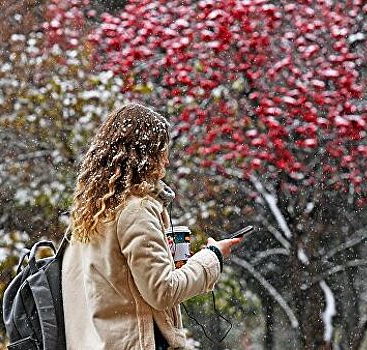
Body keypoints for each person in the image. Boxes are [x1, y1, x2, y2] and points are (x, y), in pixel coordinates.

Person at [62, 103, 242, 349]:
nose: (166, 161)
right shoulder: (135, 210)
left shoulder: (91, 210)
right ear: (144, 155)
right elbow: (162, 291)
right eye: (162, 151)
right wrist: (212, 258)